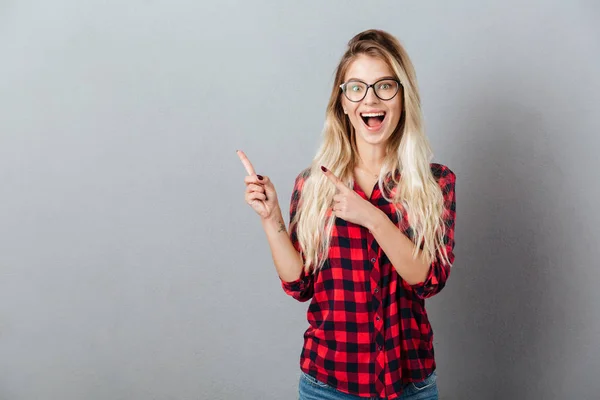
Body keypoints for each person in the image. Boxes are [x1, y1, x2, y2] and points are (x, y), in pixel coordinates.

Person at [237, 29, 456, 400]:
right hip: (328, 385)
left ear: (403, 96)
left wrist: (372, 217)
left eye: (385, 86)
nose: (370, 99)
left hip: (410, 384)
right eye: (356, 88)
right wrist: (270, 218)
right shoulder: (314, 184)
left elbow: (428, 280)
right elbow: (299, 284)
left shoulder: (436, 183)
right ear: (342, 101)